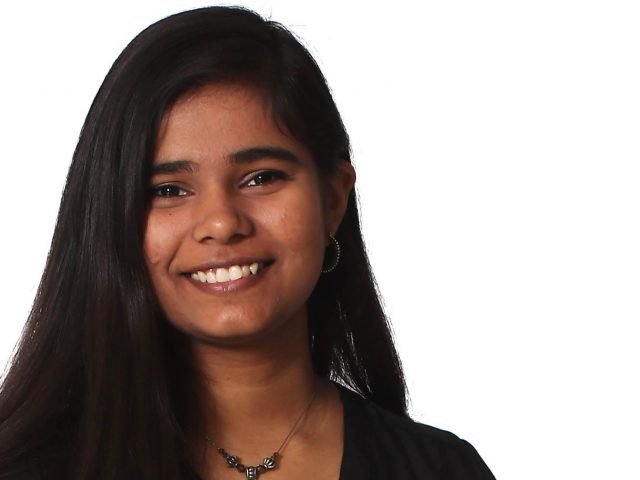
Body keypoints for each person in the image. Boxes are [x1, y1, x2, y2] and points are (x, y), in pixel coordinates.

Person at [0, 6, 495, 480]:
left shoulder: (441, 469)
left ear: (332, 200)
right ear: (110, 220)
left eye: (260, 178)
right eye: (169, 190)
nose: (221, 223)